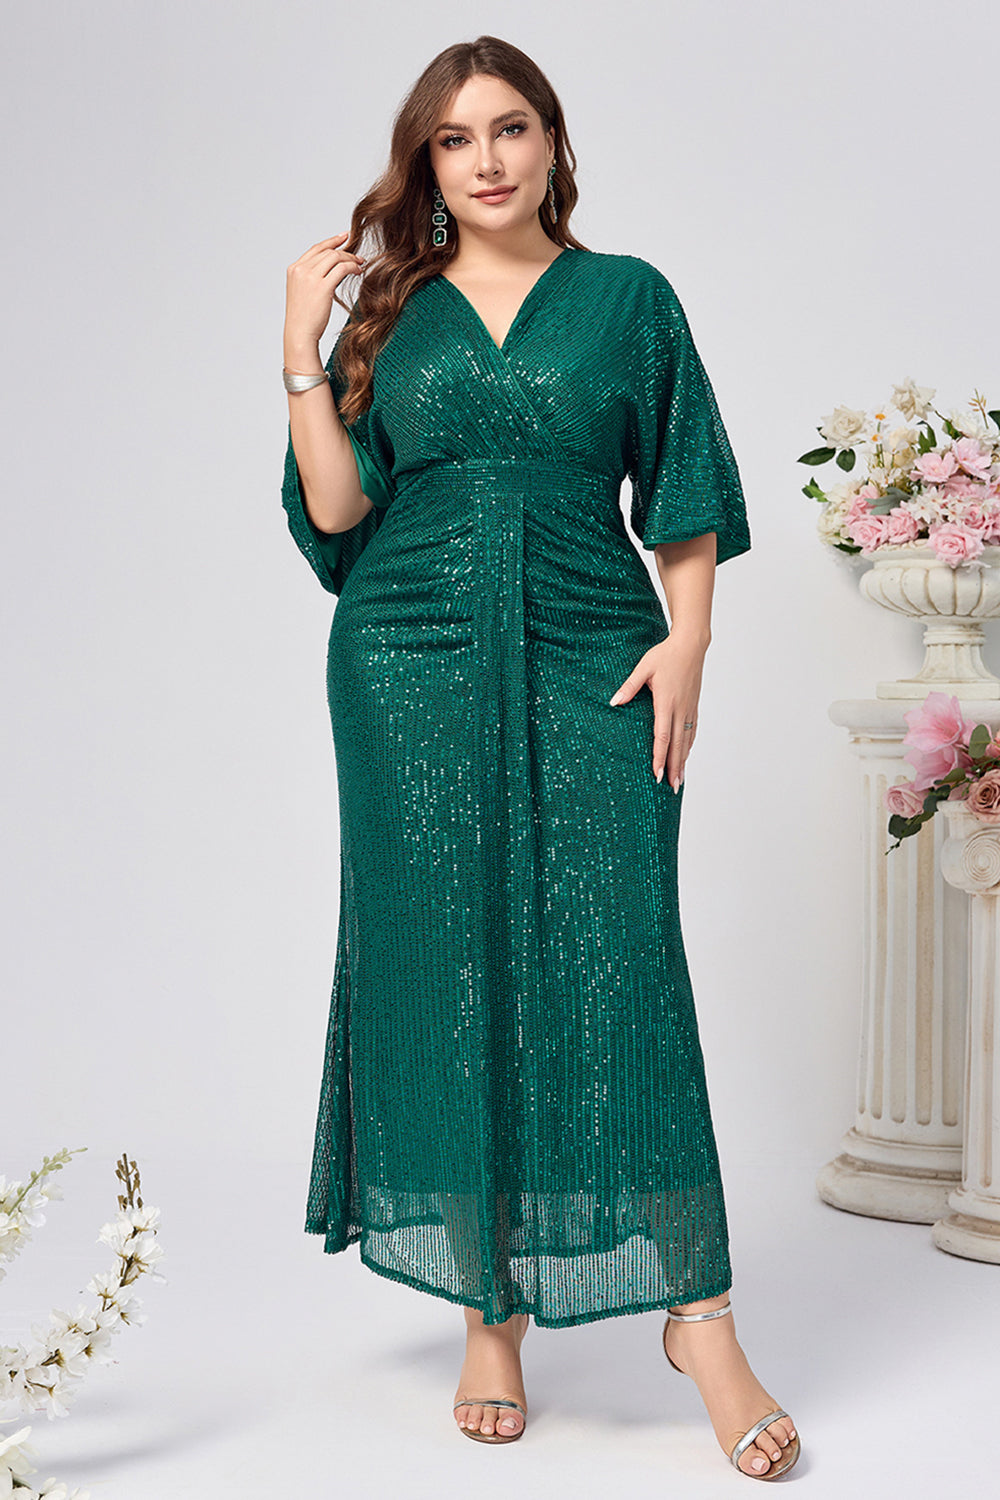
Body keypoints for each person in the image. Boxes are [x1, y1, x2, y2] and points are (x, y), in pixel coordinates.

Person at [280, 34, 799, 1481]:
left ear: (553, 141)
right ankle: (489, 1312)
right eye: (454, 140)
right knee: (449, 963)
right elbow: (337, 509)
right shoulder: (393, 312)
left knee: (620, 961)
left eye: (510, 128)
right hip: (408, 659)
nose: (487, 160)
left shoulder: (629, 298)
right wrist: (299, 347)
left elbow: (684, 483)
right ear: (427, 164)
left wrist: (690, 642)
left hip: (593, 649)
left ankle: (699, 1319)